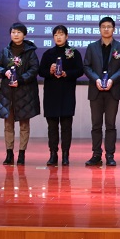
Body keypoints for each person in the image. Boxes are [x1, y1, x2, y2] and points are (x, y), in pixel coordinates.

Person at [83, 16, 120, 167]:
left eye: (109, 26)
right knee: (96, 125)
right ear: (99, 29)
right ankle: (96, 154)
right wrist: (96, 79)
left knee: (110, 125)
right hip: (95, 90)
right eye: (103, 27)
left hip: (112, 90)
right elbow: (87, 66)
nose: (106, 29)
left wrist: (112, 80)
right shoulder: (92, 47)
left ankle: (110, 155)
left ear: (114, 29)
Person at [0, 22, 40, 166]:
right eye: (13, 32)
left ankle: (21, 154)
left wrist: (20, 80)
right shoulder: (5, 51)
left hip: (25, 93)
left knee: (24, 125)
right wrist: (4, 72)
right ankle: (9, 154)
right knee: (8, 125)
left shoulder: (30, 52)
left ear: (24, 35)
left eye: (19, 32)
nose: (16, 35)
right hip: (7, 93)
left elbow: (34, 69)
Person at [38, 25, 84, 167]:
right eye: (56, 35)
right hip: (51, 94)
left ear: (67, 36)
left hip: (67, 93)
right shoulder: (48, 53)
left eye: (61, 34)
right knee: (52, 126)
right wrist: (50, 71)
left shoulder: (73, 53)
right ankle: (53, 154)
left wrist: (66, 73)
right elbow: (40, 71)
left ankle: (65, 155)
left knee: (66, 126)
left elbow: (80, 70)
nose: (58, 37)